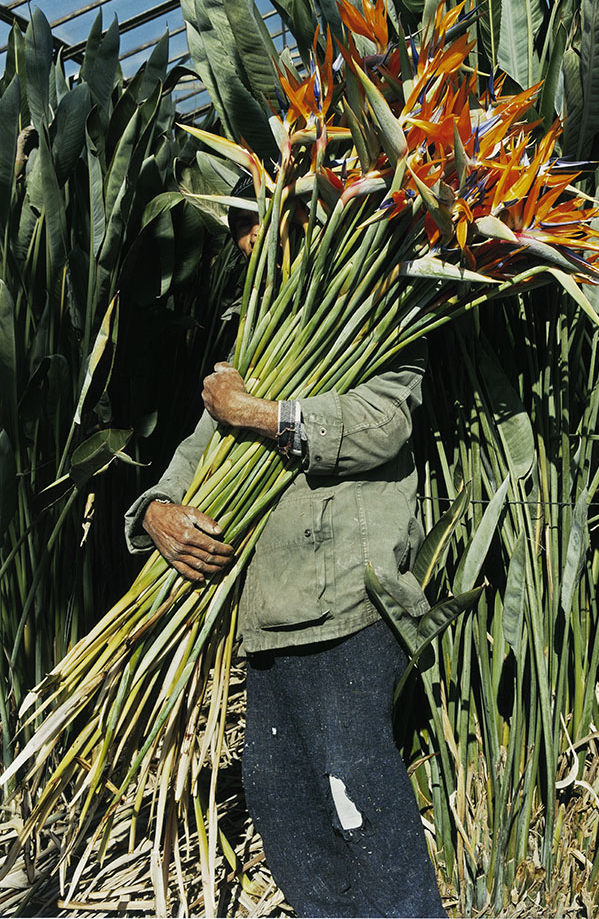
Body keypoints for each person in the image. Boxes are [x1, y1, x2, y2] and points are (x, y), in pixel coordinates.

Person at [125, 177, 447, 919]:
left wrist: (262, 412)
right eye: (243, 235)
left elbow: (384, 422)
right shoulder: (253, 341)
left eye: (264, 227)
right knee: (287, 811)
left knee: (357, 803)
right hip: (268, 617)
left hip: (347, 605)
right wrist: (157, 514)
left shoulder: (379, 313)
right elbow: (199, 449)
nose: (253, 247)